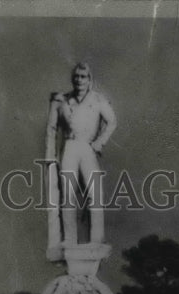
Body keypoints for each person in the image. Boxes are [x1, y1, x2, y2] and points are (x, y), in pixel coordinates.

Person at [44, 62, 117, 250]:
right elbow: (52, 129)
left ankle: (97, 239)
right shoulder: (62, 101)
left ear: (89, 78)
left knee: (95, 193)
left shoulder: (98, 99)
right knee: (67, 193)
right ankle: (70, 239)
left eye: (83, 76)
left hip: (87, 147)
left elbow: (112, 122)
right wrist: (50, 157)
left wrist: (99, 143)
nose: (79, 80)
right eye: (76, 76)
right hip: (69, 146)